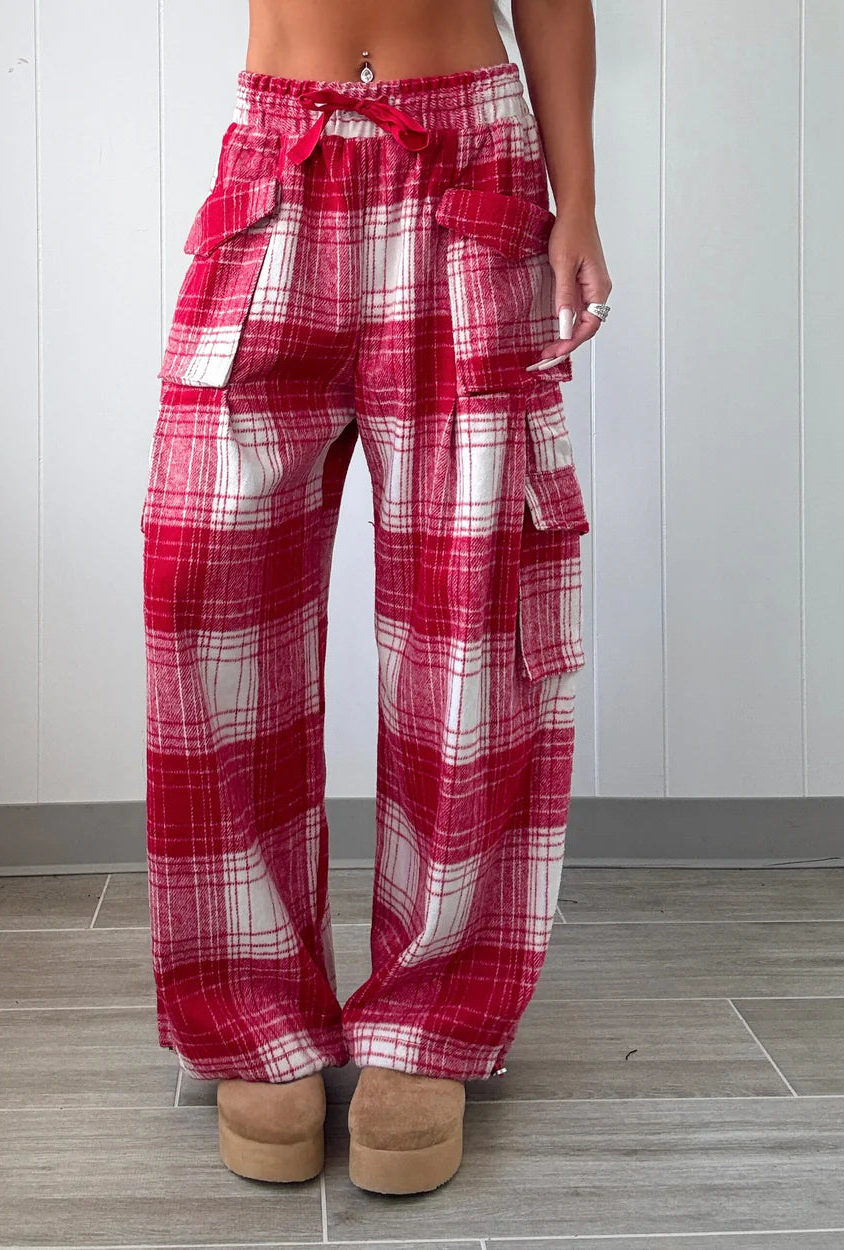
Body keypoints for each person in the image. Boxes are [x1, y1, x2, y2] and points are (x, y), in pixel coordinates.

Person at [140, 0, 611, 1196]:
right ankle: (253, 1002)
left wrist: (579, 201)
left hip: (469, 163)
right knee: (206, 582)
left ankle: (428, 1018)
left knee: (474, 615)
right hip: (278, 160)